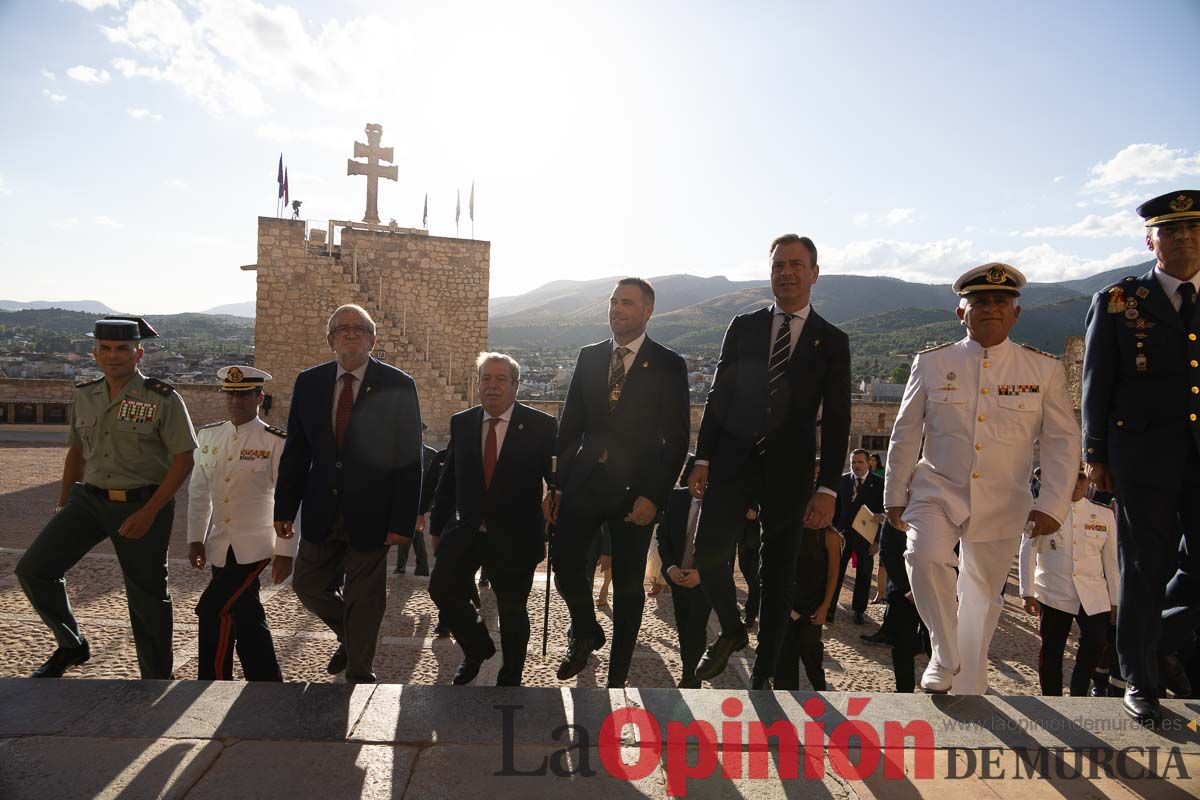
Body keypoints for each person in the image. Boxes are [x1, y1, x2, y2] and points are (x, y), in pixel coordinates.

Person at [885, 262, 1080, 695]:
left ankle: (968, 680)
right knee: (925, 556)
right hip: (937, 487)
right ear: (961, 312)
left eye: (1000, 301)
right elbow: (905, 432)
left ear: (1016, 313)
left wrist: (1052, 502)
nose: (990, 308)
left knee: (983, 594)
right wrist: (894, 493)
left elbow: (1063, 442)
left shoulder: (1041, 370)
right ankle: (942, 651)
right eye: (979, 301)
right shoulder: (932, 363)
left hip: (1003, 497)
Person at [688, 233, 852, 689]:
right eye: (779, 265)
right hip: (733, 459)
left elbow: (838, 420)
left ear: (814, 274)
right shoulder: (743, 327)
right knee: (706, 553)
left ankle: (764, 673)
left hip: (790, 470)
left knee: (778, 572)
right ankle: (734, 630)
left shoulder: (832, 341)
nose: (787, 272)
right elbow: (718, 395)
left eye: (797, 265)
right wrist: (702, 457)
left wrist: (828, 488)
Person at [16, 317, 196, 679]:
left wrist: (150, 511)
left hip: (141, 503)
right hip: (89, 501)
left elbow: (184, 458)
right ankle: (71, 645)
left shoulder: (162, 398)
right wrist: (65, 502)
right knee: (35, 570)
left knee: (147, 597)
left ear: (139, 353)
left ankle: (155, 677)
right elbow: (76, 452)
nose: (113, 356)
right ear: (94, 352)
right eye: (106, 349)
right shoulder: (86, 395)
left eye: (123, 349)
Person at [1082, 189, 1200, 724]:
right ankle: (1140, 681)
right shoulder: (1119, 301)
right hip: (1142, 455)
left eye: (1193, 228)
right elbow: (1096, 381)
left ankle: (1158, 639)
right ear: (1150, 239)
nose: (1183, 238)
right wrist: (1095, 454)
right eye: (1171, 230)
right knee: (1144, 566)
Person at [545, 277, 691, 688]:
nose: (616, 309)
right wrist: (557, 484)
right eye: (613, 301)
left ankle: (617, 676)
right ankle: (587, 629)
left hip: (637, 493)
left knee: (628, 587)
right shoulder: (588, 357)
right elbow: (570, 424)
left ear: (648, 311)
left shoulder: (668, 363)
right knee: (566, 566)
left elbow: (677, 440)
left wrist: (656, 496)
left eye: (626, 303)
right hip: (585, 483)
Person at [274, 303, 423, 684]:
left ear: (372, 339)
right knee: (307, 584)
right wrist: (284, 509)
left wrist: (403, 520)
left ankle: (360, 670)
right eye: (343, 329)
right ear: (331, 339)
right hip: (322, 508)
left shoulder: (398, 384)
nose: (351, 333)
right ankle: (350, 632)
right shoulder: (309, 382)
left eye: (359, 329)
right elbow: (297, 451)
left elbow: (410, 460)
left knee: (366, 597)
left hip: (373, 512)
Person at [428, 353, 557, 686]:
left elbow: (557, 476)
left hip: (516, 535)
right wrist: (437, 526)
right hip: (467, 528)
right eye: (486, 378)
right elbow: (450, 477)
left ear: (515, 384)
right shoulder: (463, 422)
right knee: (441, 587)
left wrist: (556, 493)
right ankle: (477, 647)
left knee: (512, 608)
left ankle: (510, 674)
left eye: (501, 379)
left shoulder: (541, 426)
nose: (492, 385)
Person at [187, 365, 298, 681]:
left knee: (212, 609)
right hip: (221, 544)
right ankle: (266, 679)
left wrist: (286, 551)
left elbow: (290, 502)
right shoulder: (209, 436)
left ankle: (214, 680)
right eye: (231, 394)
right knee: (245, 613)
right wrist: (196, 537)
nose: (236, 401)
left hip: (257, 545)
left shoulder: (275, 441)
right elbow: (199, 492)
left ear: (259, 398)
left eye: (244, 395)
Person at [1019, 463, 1119, 696]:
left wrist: (1114, 598)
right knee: (1052, 650)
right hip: (1053, 591)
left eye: (1081, 477)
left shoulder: (1103, 514)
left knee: (1096, 641)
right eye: (1070, 477)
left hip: (1093, 593)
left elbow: (1111, 561)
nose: (1076, 483)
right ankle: (1052, 698)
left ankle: (1079, 691)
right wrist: (1027, 592)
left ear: (1089, 481)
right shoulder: (1040, 511)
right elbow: (1028, 551)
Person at [657, 456, 711, 688]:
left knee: (697, 627)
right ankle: (688, 669)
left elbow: (727, 548)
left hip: (704, 579)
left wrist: (702, 573)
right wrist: (670, 567)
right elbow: (664, 536)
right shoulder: (676, 498)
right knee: (682, 624)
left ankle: (692, 678)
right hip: (678, 576)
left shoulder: (720, 504)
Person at [774, 525, 841, 691]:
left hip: (813, 607)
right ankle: (785, 709)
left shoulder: (830, 536)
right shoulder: (788, 530)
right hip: (787, 603)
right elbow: (776, 571)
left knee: (811, 654)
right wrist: (787, 608)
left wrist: (825, 607)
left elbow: (833, 574)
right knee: (785, 660)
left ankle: (824, 702)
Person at [829, 449, 884, 625]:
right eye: (853, 462)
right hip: (842, 537)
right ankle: (829, 608)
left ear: (869, 463)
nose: (856, 466)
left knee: (864, 574)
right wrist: (833, 533)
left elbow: (884, 514)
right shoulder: (843, 481)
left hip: (866, 538)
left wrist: (877, 541)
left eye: (860, 462)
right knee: (835, 573)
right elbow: (835, 511)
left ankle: (859, 610)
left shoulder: (879, 484)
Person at [395, 442, 440, 576]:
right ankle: (419, 567)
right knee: (409, 532)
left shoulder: (432, 454)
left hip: (421, 501)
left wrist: (428, 505)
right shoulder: (403, 452)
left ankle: (411, 566)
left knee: (412, 533)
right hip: (406, 499)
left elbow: (434, 482)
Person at [736, 506, 762, 629]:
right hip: (743, 539)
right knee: (746, 570)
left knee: (754, 580)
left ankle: (750, 614)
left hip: (758, 540)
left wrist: (757, 515)